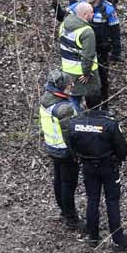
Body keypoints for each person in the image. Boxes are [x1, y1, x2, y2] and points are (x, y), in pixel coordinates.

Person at [62, 100, 127, 249]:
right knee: (112, 201)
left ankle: (93, 236)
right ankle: (118, 239)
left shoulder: (75, 123)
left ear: (85, 104)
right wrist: (117, 159)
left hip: (88, 167)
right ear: (101, 104)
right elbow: (122, 148)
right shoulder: (109, 124)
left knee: (92, 200)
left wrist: (78, 157)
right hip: (108, 167)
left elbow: (69, 143)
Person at [37, 70, 80, 229]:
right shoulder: (64, 109)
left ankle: (64, 210)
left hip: (52, 147)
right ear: (61, 87)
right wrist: (76, 154)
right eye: (69, 84)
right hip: (65, 151)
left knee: (59, 180)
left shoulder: (45, 99)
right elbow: (70, 135)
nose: (72, 85)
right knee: (68, 184)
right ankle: (71, 218)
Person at [57, 0, 100, 109]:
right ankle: (89, 117)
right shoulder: (87, 32)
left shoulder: (64, 24)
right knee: (93, 97)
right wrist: (86, 73)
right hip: (81, 73)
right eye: (91, 12)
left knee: (73, 98)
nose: (93, 14)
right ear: (85, 15)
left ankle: (73, 117)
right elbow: (88, 55)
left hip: (67, 69)